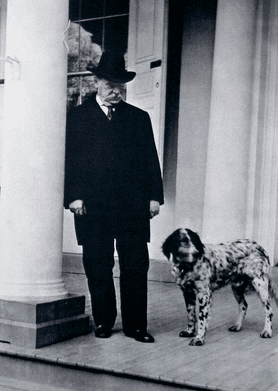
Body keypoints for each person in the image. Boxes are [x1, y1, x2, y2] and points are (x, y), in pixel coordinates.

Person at [64, 51, 164, 343]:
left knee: (135, 264)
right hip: (92, 206)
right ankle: (104, 321)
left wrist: (154, 197)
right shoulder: (78, 117)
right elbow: (69, 161)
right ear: (96, 81)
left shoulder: (138, 118)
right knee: (98, 264)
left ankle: (135, 326)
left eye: (120, 84)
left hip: (132, 205)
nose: (115, 89)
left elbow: (150, 160)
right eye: (109, 83)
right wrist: (74, 196)